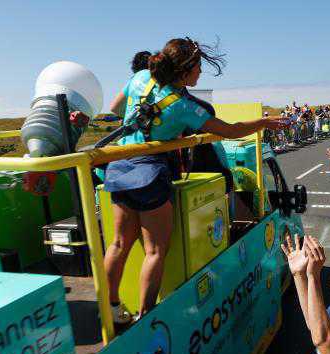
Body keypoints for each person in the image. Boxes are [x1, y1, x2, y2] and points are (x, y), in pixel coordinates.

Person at [103, 37, 286, 322]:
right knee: (155, 250)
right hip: (148, 174)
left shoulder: (140, 77)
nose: (200, 73)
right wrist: (263, 122)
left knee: (117, 244)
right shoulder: (184, 106)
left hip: (120, 165)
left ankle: (111, 309)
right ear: (184, 71)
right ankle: (146, 317)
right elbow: (231, 130)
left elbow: (117, 108)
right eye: (198, 68)